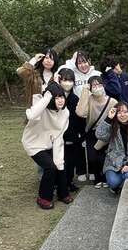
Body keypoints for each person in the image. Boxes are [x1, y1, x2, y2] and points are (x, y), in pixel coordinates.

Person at [21, 81, 73, 209]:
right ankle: (43, 197)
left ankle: (62, 193)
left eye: (61, 97)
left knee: (60, 164)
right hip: (34, 144)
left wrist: (58, 158)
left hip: (51, 143)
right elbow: (32, 115)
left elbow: (59, 135)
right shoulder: (41, 110)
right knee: (50, 167)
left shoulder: (65, 112)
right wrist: (48, 94)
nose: (60, 100)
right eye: (56, 97)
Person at [76, 75, 118, 187]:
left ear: (103, 86)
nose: (97, 87)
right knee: (92, 157)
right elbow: (81, 113)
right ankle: (97, 178)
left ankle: (105, 178)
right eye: (94, 85)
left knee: (103, 157)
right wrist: (85, 91)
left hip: (107, 133)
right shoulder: (88, 100)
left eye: (99, 84)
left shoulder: (112, 101)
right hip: (91, 132)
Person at [95, 102, 128, 193]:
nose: (122, 115)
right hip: (113, 163)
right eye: (119, 112)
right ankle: (120, 183)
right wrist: (108, 119)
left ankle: (125, 182)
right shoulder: (112, 126)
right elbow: (99, 135)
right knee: (113, 182)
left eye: (125, 112)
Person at [58, 68, 85, 192]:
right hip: (58, 135)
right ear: (60, 80)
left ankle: (69, 182)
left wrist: (81, 136)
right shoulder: (56, 98)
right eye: (64, 80)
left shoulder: (75, 99)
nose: (67, 83)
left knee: (71, 162)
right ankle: (61, 184)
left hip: (73, 136)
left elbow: (79, 119)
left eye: (70, 80)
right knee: (61, 162)